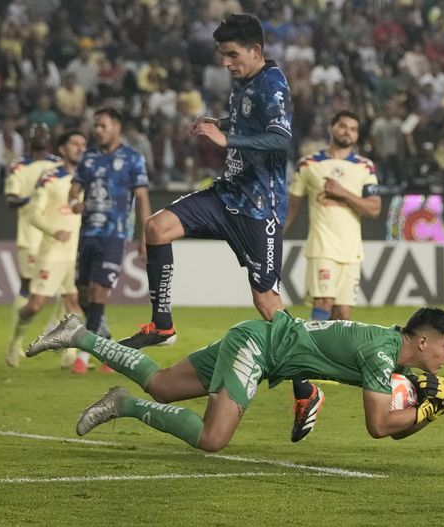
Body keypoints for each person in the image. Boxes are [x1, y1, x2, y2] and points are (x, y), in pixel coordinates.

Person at [118, 14, 321, 443]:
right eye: (222, 55)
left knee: (267, 302)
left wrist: (229, 140)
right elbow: (246, 123)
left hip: (259, 210)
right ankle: (162, 324)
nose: (226, 63)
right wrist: (219, 124)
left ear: (256, 51)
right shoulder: (244, 82)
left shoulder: (272, 83)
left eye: (232, 54)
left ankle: (306, 390)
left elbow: (279, 137)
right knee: (157, 228)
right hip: (226, 194)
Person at [26, 307, 444, 452]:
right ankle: (125, 404)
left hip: (255, 336)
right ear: (422, 341)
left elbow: (394, 430)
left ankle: (77, 335)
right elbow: (379, 427)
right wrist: (427, 409)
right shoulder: (381, 355)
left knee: (161, 384)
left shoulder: (390, 350)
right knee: (213, 439)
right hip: (257, 348)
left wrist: (427, 413)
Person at [68, 108, 151, 374]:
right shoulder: (89, 158)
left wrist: (144, 236)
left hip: (115, 235)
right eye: (96, 126)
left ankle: (84, 356)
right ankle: (108, 343)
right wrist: (74, 202)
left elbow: (142, 199)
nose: (98, 130)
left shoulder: (132, 158)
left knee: (99, 291)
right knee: (83, 294)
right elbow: (74, 188)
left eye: (102, 126)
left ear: (117, 127)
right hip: (88, 234)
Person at [285, 110, 381, 322]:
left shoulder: (365, 167)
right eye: (343, 126)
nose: (348, 132)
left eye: (353, 129)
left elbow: (374, 209)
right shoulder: (308, 164)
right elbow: (291, 206)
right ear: (331, 128)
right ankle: (311, 344)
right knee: (323, 302)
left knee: (343, 315)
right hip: (322, 247)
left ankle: (327, 346)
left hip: (351, 251)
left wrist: (343, 193)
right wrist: (274, 238)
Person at [6, 130, 87, 368]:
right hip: (52, 252)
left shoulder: (89, 178)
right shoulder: (50, 178)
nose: (80, 148)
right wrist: (54, 231)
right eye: (75, 143)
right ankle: (15, 341)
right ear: (62, 149)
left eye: (83, 144)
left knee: (74, 302)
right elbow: (33, 214)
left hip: (76, 252)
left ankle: (69, 355)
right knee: (35, 305)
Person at [4, 123, 62, 356]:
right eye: (36, 134)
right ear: (29, 139)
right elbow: (11, 200)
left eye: (43, 134)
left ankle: (56, 331)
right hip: (30, 235)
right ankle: (15, 340)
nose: (40, 138)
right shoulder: (19, 165)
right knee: (28, 284)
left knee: (67, 287)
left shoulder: (58, 165)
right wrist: (35, 198)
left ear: (49, 138)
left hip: (55, 234)